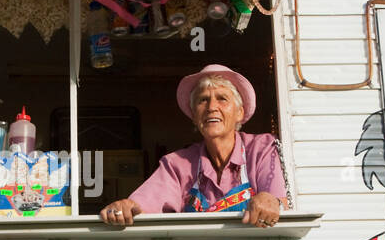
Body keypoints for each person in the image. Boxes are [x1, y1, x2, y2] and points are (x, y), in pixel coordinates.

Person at [99, 64, 286, 227]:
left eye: (222, 98)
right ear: (194, 116)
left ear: (239, 112)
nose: (212, 107)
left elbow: (278, 201)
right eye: (202, 100)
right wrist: (126, 207)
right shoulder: (177, 164)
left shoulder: (262, 149)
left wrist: (271, 200)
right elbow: (143, 205)